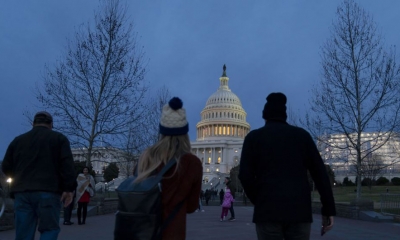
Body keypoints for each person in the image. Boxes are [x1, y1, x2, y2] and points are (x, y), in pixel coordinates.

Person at [239, 93, 336, 240]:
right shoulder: (302, 136)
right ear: (285, 115)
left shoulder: (253, 138)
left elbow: (245, 175)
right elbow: (320, 174)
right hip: (299, 211)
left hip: (267, 211)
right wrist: (328, 208)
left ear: (265, 115)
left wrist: (259, 200)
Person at [134, 97, 202, 240]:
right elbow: (191, 207)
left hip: (143, 231)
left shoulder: (146, 157)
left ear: (162, 131)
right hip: (173, 232)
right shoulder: (192, 163)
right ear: (185, 133)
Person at [1, 111, 76, 239]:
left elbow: (6, 166)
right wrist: (68, 188)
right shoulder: (59, 139)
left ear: (33, 123)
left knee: (23, 232)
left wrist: (18, 178)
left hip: (23, 191)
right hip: (49, 190)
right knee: (49, 229)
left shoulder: (18, 141)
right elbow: (67, 166)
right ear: (51, 124)